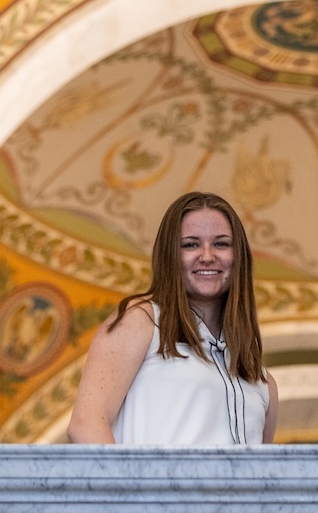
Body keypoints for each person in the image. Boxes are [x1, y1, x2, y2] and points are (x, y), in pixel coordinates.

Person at [68, 191, 278, 445]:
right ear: (171, 255)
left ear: (239, 258)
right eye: (191, 244)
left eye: (221, 243)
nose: (207, 255)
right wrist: (133, 485)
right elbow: (86, 424)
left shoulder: (263, 381)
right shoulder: (142, 321)